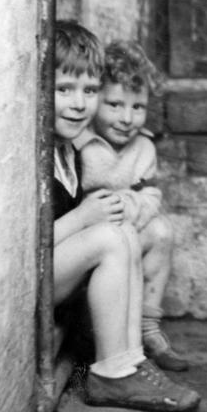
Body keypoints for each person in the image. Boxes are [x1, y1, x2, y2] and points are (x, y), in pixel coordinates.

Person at [52, 20, 200, 412]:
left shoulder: (65, 147)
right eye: (63, 90)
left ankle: (130, 361)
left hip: (59, 271)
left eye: (89, 91)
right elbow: (26, 246)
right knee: (110, 236)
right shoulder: (43, 153)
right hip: (28, 285)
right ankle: (112, 373)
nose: (79, 103)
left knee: (124, 234)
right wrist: (87, 215)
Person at [77, 39, 189, 372]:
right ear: (95, 98)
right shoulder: (80, 144)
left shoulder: (143, 148)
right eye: (114, 104)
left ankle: (147, 328)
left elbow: (151, 196)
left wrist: (128, 205)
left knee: (162, 231)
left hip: (124, 229)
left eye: (137, 107)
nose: (127, 118)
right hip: (89, 245)